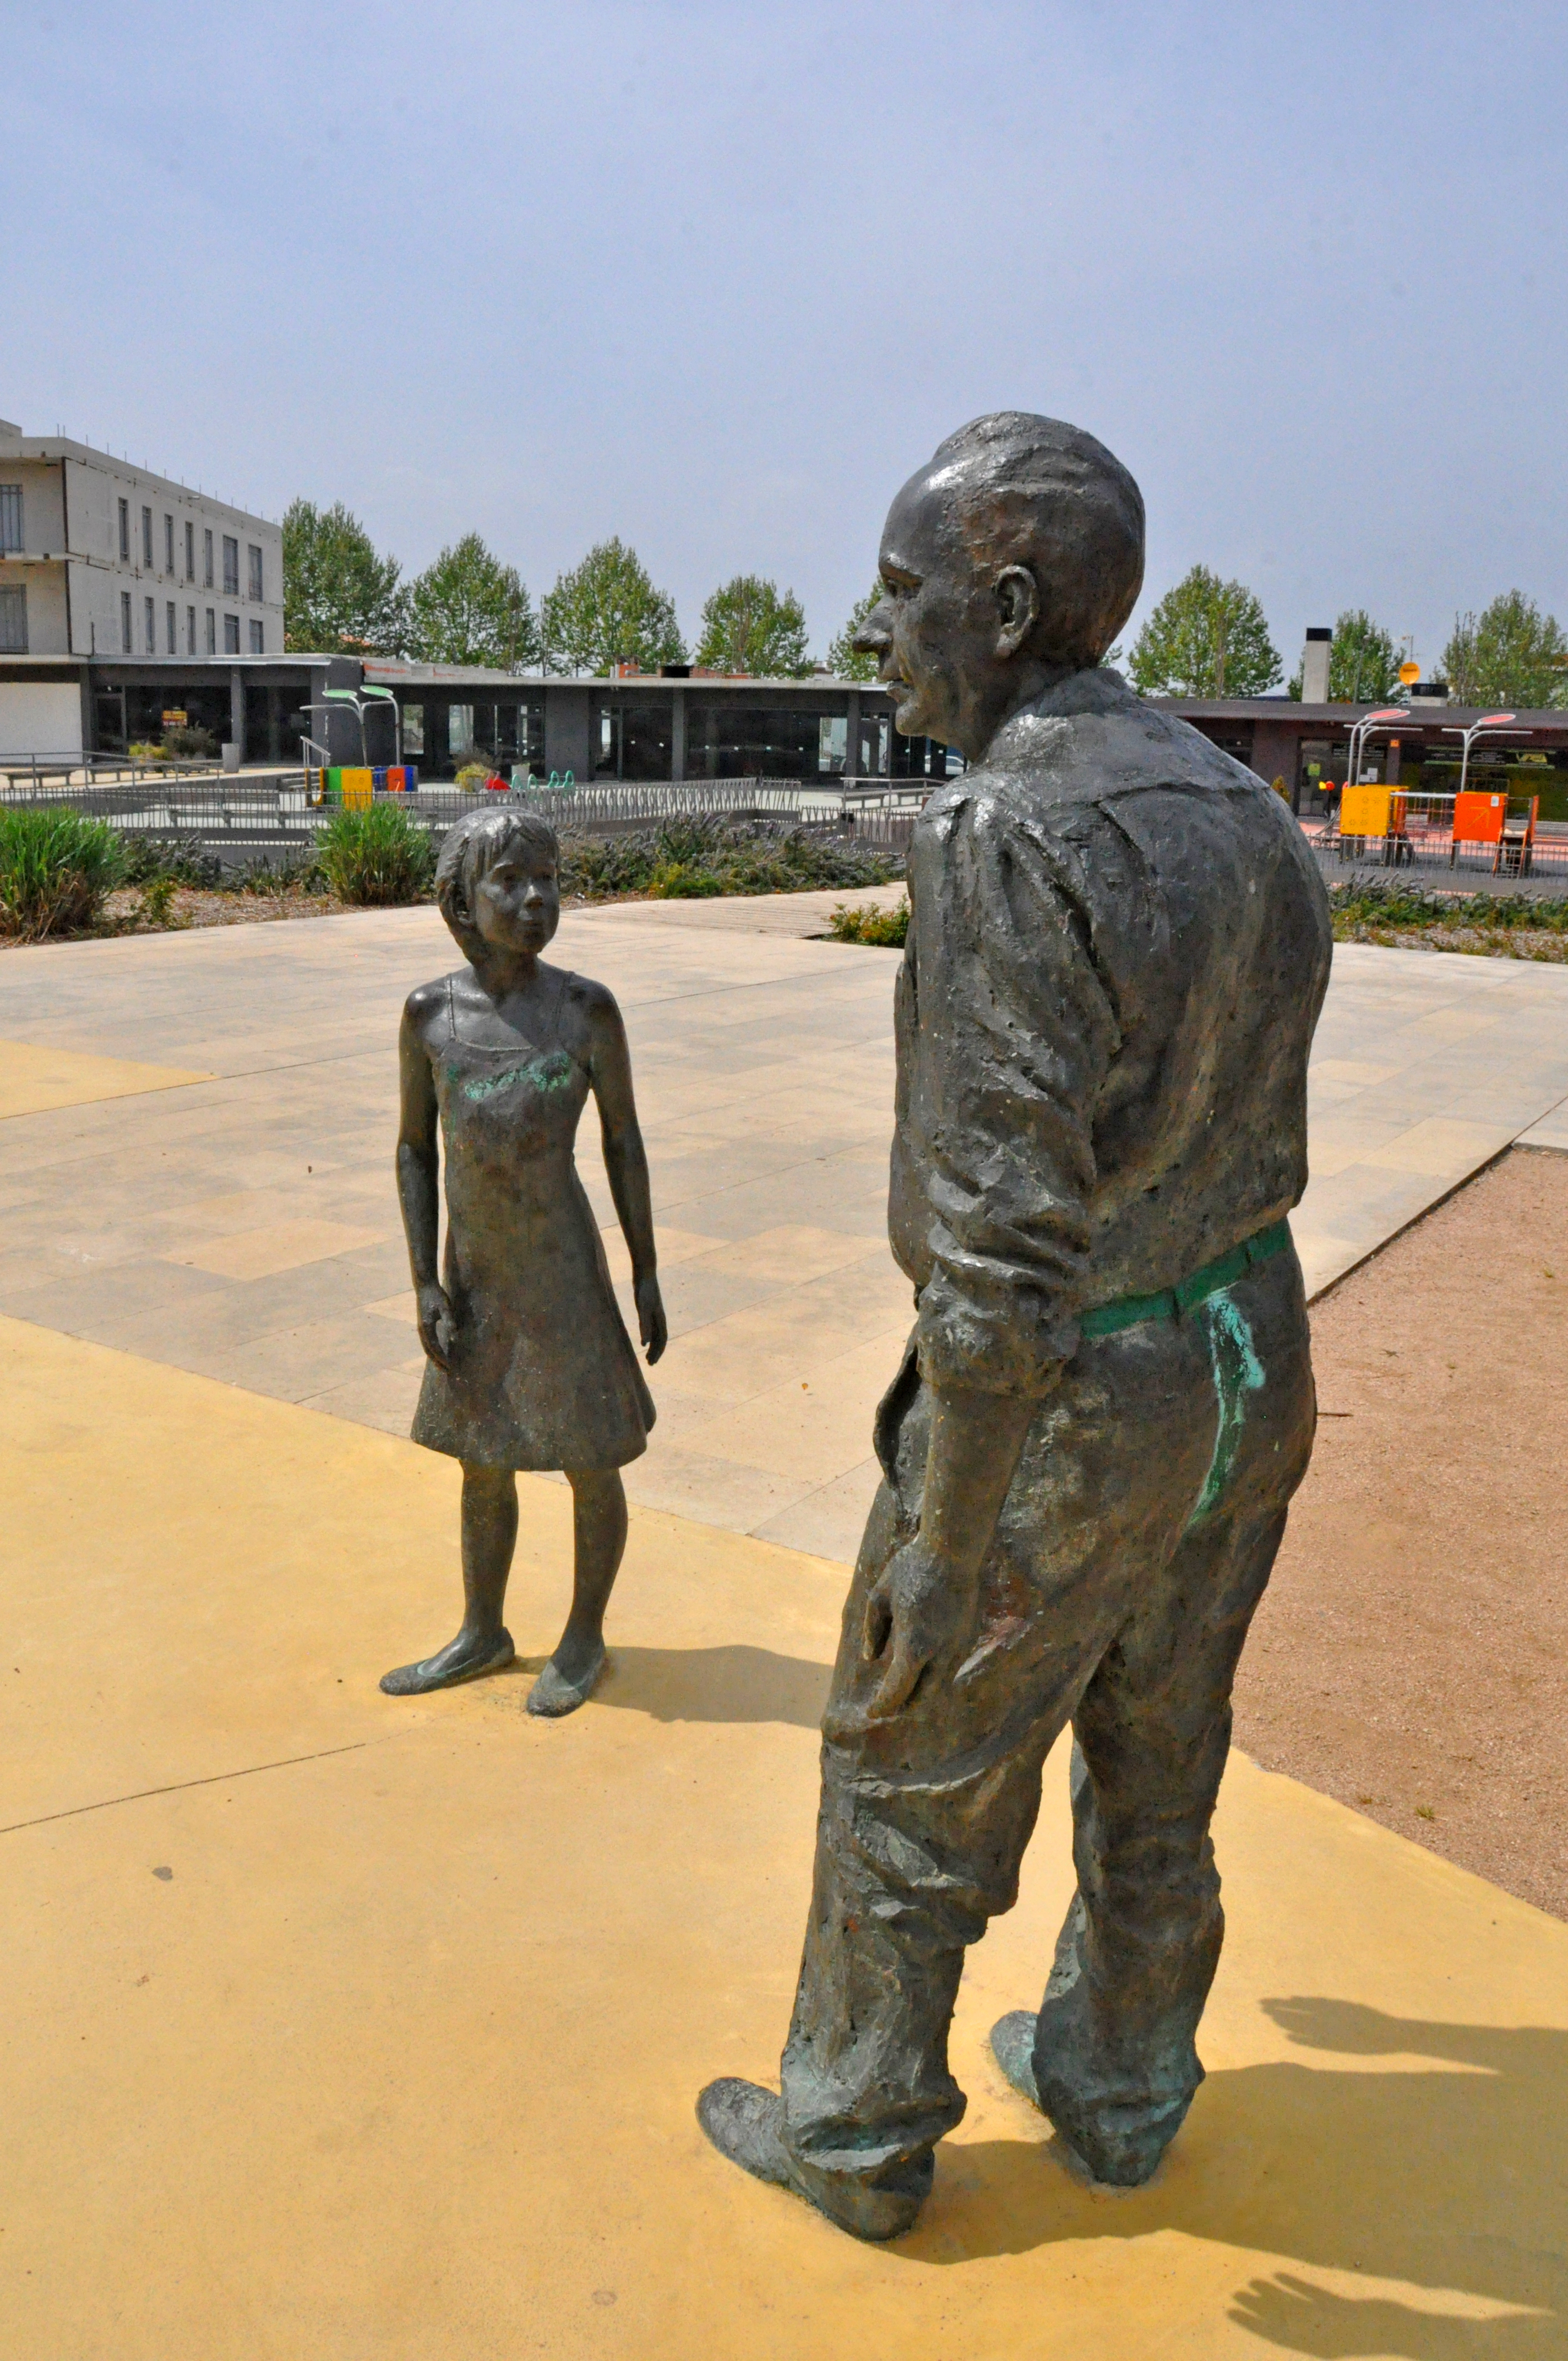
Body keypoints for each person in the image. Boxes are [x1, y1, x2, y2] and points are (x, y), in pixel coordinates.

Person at [697, 414, 1333, 2238]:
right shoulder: (1241, 808)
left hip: (1076, 1393)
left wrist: (946, 1530)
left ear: (999, 608)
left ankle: (854, 2131)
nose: (871, 627)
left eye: (899, 591)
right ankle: (1120, 2086)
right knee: (1162, 1752)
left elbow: (995, 1253)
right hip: (1246, 1354)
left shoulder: (1000, 825)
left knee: (907, 1755)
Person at [380, 807, 666, 1717]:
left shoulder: (586, 1011)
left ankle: (584, 1634)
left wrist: (645, 1269)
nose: (536, 898)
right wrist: (425, 1279)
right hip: (477, 1274)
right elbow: (415, 1148)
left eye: (548, 880)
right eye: (509, 881)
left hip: (564, 1269)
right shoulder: (429, 1016)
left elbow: (623, 1141)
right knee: (483, 1458)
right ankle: (483, 1630)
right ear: (460, 902)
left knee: (590, 1458)